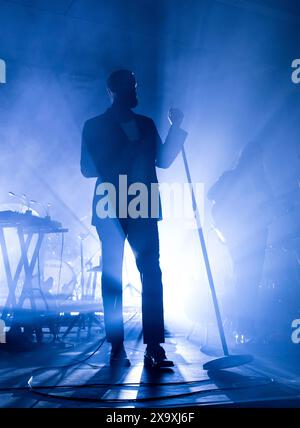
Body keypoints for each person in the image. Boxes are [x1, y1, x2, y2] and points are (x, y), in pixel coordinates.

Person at [81, 69, 187, 367]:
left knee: (150, 274)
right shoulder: (95, 126)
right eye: (133, 87)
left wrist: (176, 128)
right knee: (115, 277)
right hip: (112, 207)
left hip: (141, 206)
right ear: (116, 90)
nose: (137, 92)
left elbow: (163, 160)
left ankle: (153, 345)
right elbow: (87, 168)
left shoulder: (145, 123)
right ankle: (117, 346)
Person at [208, 141, 274, 342]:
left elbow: (268, 206)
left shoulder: (260, 181)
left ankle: (245, 325)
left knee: (250, 280)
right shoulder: (232, 177)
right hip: (241, 234)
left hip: (257, 233)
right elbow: (212, 195)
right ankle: (241, 325)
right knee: (244, 278)